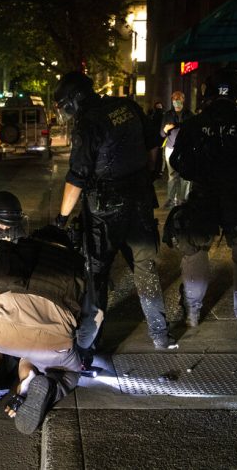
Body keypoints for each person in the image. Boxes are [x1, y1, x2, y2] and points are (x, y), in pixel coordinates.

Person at [52, 71, 173, 351]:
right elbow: (153, 142)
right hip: (140, 201)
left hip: (104, 211)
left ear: (74, 101)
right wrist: (150, 172)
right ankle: (161, 334)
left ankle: (91, 346)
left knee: (96, 275)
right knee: (145, 267)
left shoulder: (88, 123)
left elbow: (77, 177)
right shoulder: (125, 107)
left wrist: (61, 218)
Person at [168, 67, 237, 339]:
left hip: (203, 196)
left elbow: (178, 162)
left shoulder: (195, 123)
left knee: (195, 249)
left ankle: (192, 313)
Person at [0, 226, 86, 435]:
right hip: (55, 344)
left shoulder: (17, 253)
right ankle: (43, 388)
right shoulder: (76, 267)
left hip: (5, 336)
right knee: (71, 372)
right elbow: (91, 317)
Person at [161, 91, 194, 208]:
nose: (176, 100)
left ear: (183, 99)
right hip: (171, 147)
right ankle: (171, 199)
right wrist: (165, 130)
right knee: (172, 175)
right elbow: (161, 134)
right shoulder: (168, 115)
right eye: (174, 98)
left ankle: (184, 200)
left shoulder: (189, 114)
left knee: (185, 175)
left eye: (179, 98)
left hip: (185, 148)